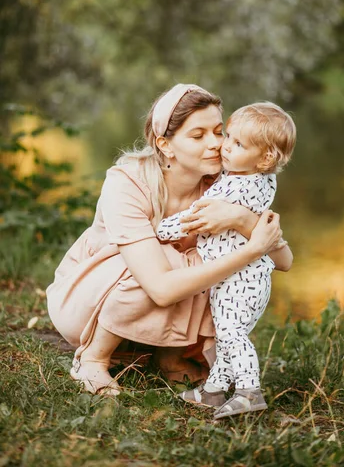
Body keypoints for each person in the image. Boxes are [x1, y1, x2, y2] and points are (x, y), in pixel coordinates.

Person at [46, 84, 292, 396]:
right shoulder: (128, 182)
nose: (216, 144)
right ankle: (93, 359)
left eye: (220, 132)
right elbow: (160, 288)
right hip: (89, 302)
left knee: (216, 265)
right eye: (198, 135)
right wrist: (252, 249)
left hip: (155, 314)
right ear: (166, 144)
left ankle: (169, 358)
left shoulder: (227, 185)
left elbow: (284, 262)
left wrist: (241, 220)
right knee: (175, 261)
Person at [156, 102, 296, 418]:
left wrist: (159, 229)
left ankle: (249, 390)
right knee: (227, 332)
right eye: (228, 136)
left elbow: (192, 219)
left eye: (237, 143)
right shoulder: (261, 179)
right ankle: (214, 391)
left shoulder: (232, 187)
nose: (225, 147)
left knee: (232, 335)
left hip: (239, 279)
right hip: (250, 277)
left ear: (265, 158)